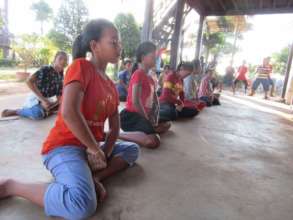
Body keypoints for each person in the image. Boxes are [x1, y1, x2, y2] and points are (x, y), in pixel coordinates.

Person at [0, 19, 140, 220]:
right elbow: (69, 112)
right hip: (64, 146)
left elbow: (115, 128)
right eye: (114, 42)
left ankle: (94, 178)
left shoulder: (111, 85)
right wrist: (95, 149)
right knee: (81, 204)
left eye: (119, 43)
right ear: (94, 46)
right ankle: (11, 186)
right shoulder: (81, 67)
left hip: (91, 148)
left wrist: (103, 154)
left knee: (132, 150)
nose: (120, 47)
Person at [119, 42, 171, 149]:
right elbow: (136, 101)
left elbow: (154, 100)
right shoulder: (138, 74)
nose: (155, 59)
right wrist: (147, 119)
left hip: (144, 115)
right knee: (153, 141)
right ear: (143, 58)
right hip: (131, 116)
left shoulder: (151, 79)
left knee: (167, 123)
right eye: (153, 57)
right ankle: (117, 134)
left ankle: (146, 130)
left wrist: (154, 117)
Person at [1, 51, 68, 120]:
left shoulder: (61, 76)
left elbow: (59, 96)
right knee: (38, 114)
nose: (63, 61)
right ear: (54, 60)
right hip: (36, 98)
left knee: (65, 105)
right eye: (60, 58)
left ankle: (47, 110)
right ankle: (18, 111)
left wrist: (58, 103)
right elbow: (28, 81)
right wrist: (43, 100)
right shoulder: (46, 69)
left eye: (65, 60)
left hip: (47, 101)